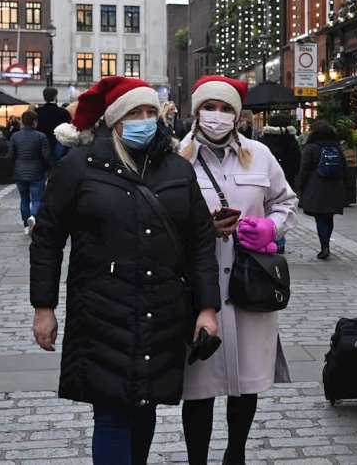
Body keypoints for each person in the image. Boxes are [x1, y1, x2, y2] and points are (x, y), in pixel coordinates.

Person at [29, 76, 221, 465]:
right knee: (113, 413)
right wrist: (43, 306)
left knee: (144, 407)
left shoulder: (176, 170)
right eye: (135, 112)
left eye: (151, 112)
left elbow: (200, 241)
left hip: (162, 308)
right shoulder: (79, 167)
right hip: (102, 310)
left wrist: (206, 307)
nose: (145, 120)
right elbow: (48, 237)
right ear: (115, 119)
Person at [178, 75, 298, 465]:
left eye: (225, 108)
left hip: (250, 285)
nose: (217, 115)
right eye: (209, 107)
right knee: (198, 385)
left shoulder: (260, 155)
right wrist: (200, 228)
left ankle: (236, 454)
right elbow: (158, 218)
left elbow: (286, 202)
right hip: (200, 289)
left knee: (246, 383)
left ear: (237, 114)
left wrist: (270, 227)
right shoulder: (176, 159)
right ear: (196, 112)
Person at [298, 120, 346, 260]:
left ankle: (324, 246)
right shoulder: (336, 147)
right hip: (335, 186)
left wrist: (300, 186)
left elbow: (304, 169)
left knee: (320, 217)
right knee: (329, 216)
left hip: (316, 186)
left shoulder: (311, 148)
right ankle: (326, 244)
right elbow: (344, 168)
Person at [258, 113, 301, 254]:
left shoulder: (264, 141)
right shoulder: (292, 141)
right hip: (287, 178)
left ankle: (270, 237)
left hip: (266, 180)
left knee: (267, 208)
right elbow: (297, 162)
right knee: (282, 208)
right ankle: (280, 240)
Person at [9, 110, 54, 235]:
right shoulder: (41, 136)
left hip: (19, 172)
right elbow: (46, 156)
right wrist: (51, 166)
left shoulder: (15, 136)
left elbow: (11, 155)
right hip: (37, 172)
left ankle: (25, 225)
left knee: (24, 199)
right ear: (34, 122)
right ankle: (33, 216)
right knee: (37, 198)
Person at [36, 87, 73, 162]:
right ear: (56, 96)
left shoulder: (37, 112)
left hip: (41, 148)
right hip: (60, 147)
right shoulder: (63, 113)